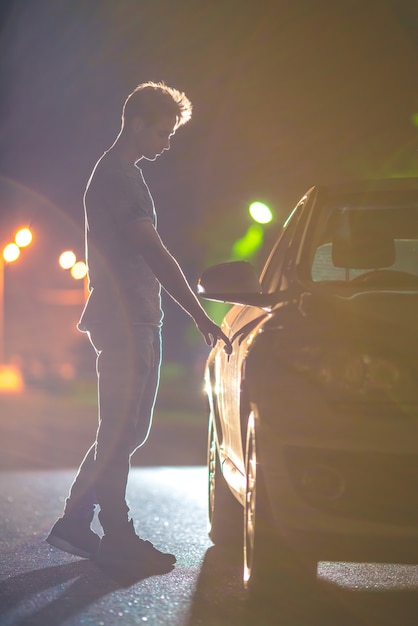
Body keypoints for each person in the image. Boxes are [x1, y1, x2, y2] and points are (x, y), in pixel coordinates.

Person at [46, 81, 231, 574]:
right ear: (136, 123)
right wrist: (198, 313)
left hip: (132, 317)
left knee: (122, 431)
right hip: (127, 320)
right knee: (123, 430)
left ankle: (76, 522)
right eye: (163, 131)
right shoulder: (118, 178)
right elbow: (153, 251)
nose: (167, 142)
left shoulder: (122, 175)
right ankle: (118, 535)